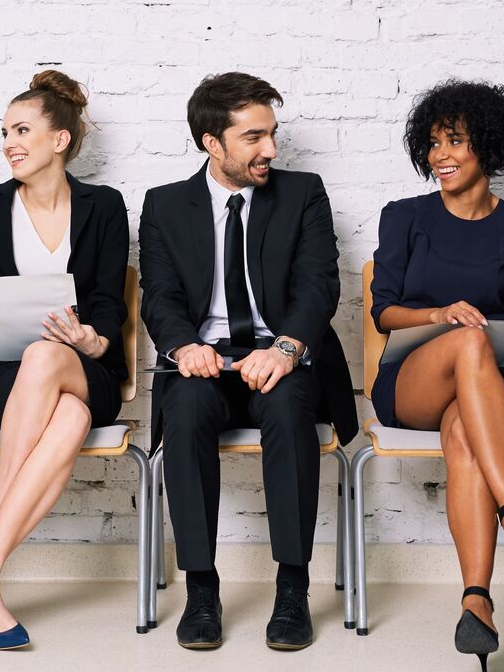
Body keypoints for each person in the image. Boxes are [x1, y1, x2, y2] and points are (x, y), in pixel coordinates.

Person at [138, 72, 357, 651]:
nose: (272, 150)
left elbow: (319, 285)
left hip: (279, 355)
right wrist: (184, 347)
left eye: (273, 134)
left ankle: (292, 589)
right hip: (202, 357)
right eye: (254, 137)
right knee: (184, 413)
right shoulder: (164, 205)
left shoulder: (303, 192)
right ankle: (201, 590)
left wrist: (284, 348)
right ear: (212, 142)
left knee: (288, 413)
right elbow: (157, 295)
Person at [0, 70, 129, 650]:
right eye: (4, 132)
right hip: (5, 376)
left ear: (59, 140)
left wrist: (92, 341)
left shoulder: (104, 206)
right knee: (69, 418)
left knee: (49, 356)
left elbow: (110, 300)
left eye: (21, 130)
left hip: (88, 370)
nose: (9, 142)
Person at [370, 79, 504, 672]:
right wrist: (441, 316)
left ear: (488, 149)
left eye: (454, 141)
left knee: (465, 436)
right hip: (413, 376)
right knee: (469, 339)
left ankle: (477, 602)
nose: (439, 154)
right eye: (431, 143)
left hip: (489, 389)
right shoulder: (404, 217)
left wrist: (488, 333)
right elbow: (384, 310)